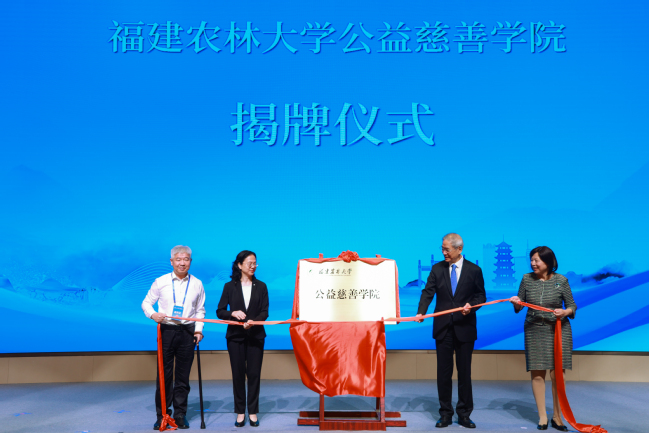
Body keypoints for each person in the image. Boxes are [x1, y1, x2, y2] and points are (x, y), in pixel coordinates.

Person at [416, 233, 486, 429]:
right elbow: (428, 292)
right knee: (444, 374)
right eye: (442, 249)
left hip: (465, 327)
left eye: (446, 249)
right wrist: (421, 311)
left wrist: (471, 306)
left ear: (459, 249)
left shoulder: (474, 270)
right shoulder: (437, 268)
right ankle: (445, 413)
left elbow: (481, 296)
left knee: (464, 373)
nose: (443, 252)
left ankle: (464, 414)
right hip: (443, 328)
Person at [510, 246, 577, 431]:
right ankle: (542, 417)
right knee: (537, 373)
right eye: (531, 260)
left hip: (558, 330)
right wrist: (516, 303)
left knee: (557, 375)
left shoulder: (561, 280)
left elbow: (572, 306)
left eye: (536, 260)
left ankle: (558, 417)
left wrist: (565, 312)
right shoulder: (526, 279)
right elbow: (519, 307)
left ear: (548, 262)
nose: (533, 263)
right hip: (534, 330)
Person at [142, 245, 206, 430]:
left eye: (186, 259)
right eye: (178, 259)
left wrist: (198, 330)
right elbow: (146, 303)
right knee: (164, 375)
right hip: (167, 331)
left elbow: (200, 310)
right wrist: (153, 314)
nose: (182, 263)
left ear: (190, 261)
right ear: (171, 262)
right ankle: (162, 414)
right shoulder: (160, 281)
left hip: (188, 332)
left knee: (183, 376)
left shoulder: (197, 283)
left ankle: (180, 414)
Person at [217, 250, 269, 428]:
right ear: (239, 265)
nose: (253, 266)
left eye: (255, 263)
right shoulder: (229, 286)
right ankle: (240, 411)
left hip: (256, 336)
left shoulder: (261, 286)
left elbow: (265, 312)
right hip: (235, 337)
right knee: (238, 374)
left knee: (254, 374)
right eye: (249, 263)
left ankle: (252, 411)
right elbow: (220, 311)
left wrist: (253, 322)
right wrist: (232, 313)